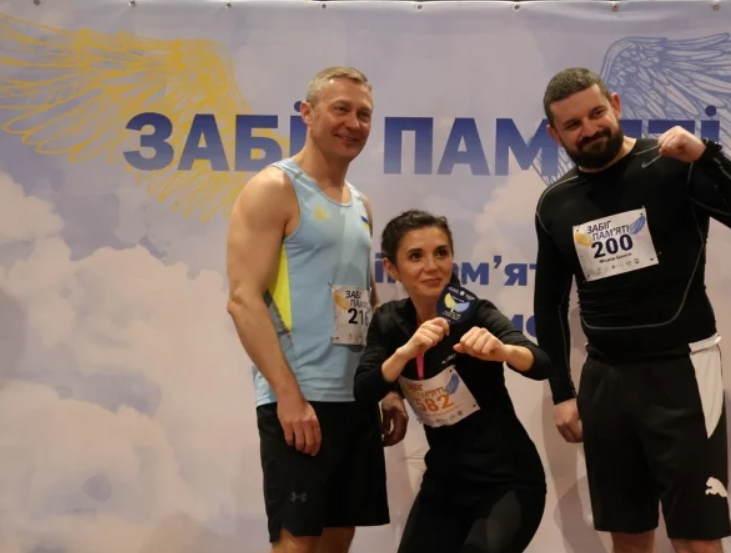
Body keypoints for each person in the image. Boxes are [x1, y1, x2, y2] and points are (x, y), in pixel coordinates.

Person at [534, 67, 731, 553]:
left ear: (616, 105)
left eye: (596, 113)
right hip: (607, 383)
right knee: (628, 536)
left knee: (697, 540)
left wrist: (707, 156)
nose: (589, 129)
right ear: (555, 134)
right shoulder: (554, 204)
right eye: (573, 124)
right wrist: (562, 392)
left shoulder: (673, 164)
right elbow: (549, 304)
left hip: (684, 372)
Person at [225, 66, 407, 553]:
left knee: (336, 541)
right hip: (301, 398)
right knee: (296, 544)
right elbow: (242, 300)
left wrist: (386, 388)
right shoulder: (274, 188)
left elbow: (365, 299)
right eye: (340, 109)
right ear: (307, 113)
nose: (353, 123)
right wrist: (288, 396)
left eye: (363, 114)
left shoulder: (361, 203)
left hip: (356, 401)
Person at [354, 209, 550, 553]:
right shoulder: (389, 321)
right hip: (444, 483)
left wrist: (502, 351)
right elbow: (364, 388)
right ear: (392, 268)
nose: (432, 266)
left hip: (507, 482)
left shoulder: (474, 313)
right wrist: (403, 354)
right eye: (416, 256)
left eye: (441, 253)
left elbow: (539, 363)